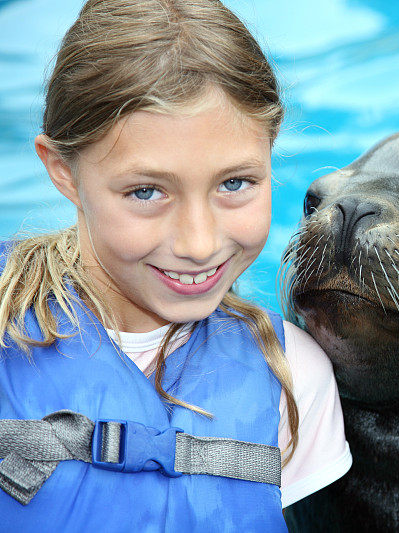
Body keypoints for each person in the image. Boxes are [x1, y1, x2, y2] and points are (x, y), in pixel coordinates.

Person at [0, 0, 352, 530]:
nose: (198, 242)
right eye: (147, 192)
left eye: (235, 183)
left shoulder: (293, 381)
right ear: (62, 170)